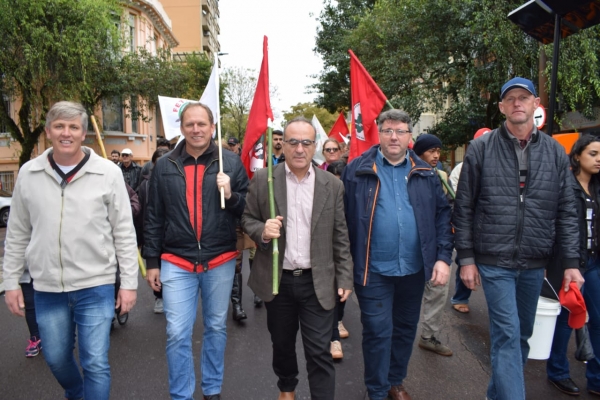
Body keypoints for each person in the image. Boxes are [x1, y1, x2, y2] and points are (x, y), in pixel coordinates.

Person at [453, 77, 584, 400]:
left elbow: (567, 211)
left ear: (535, 103)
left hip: (534, 262)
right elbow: (464, 206)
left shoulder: (555, 152)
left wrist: (570, 263)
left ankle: (496, 395)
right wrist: (466, 259)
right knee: (508, 335)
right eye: (510, 98)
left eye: (523, 98)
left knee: (522, 334)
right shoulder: (481, 148)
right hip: (493, 259)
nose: (517, 103)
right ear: (501, 107)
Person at [3, 101, 138, 400]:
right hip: (47, 287)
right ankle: (77, 393)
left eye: (73, 127)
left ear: (83, 133)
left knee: (95, 362)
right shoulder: (29, 173)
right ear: (48, 131)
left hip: (96, 284)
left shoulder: (107, 173)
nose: (67, 133)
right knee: (55, 358)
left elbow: (124, 232)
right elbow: (17, 232)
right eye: (60, 126)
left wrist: (129, 284)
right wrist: (10, 281)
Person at [342, 109, 453, 400]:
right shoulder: (356, 170)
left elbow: (443, 216)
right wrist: (343, 266)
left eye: (400, 131)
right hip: (373, 269)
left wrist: (443, 258)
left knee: (404, 329)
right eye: (388, 130)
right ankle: (377, 390)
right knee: (377, 331)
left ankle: (395, 381)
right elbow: (342, 221)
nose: (394, 137)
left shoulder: (426, 173)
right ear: (379, 134)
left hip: (414, 269)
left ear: (409, 136)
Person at [242, 116, 353, 400]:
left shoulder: (332, 185)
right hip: (278, 282)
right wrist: (262, 230)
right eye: (293, 142)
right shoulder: (264, 179)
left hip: (319, 281)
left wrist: (345, 277)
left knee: (319, 351)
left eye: (306, 142)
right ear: (283, 145)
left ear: (315, 146)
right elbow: (247, 219)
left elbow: (340, 235)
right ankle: (287, 387)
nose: (299, 148)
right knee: (282, 345)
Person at [143, 101, 248, 400]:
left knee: (215, 327)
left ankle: (212, 389)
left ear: (212, 127)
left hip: (219, 259)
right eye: (190, 124)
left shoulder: (231, 163)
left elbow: (247, 209)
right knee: (177, 332)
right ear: (181, 127)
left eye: (202, 123)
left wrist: (231, 194)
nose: (196, 129)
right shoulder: (164, 165)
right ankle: (181, 394)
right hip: (176, 260)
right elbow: (153, 216)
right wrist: (152, 261)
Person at [546, 134, 600, 396]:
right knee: (567, 319)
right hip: (569, 262)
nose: (599, 159)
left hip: (594, 260)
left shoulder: (598, 186)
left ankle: (597, 379)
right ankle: (557, 372)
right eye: (593, 154)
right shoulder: (564, 184)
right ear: (577, 155)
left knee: (598, 320)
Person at [412, 133, 454, 357]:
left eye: (438, 151)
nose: (436, 155)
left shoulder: (441, 175)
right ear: (419, 153)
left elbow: (445, 210)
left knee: (438, 291)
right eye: (431, 151)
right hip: (413, 248)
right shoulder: (409, 174)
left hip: (437, 246)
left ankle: (428, 336)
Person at [449, 127, 491, 314]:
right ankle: (460, 297)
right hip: (471, 224)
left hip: (492, 227)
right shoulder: (461, 169)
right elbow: (461, 200)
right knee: (464, 260)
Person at [137, 147, 170, 314]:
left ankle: (171, 296)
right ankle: (159, 296)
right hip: (153, 235)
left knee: (171, 270)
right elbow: (140, 213)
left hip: (172, 235)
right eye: (158, 164)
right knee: (156, 267)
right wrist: (140, 238)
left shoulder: (178, 181)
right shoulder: (145, 185)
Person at [325, 160, 350, 360]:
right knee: (333, 292)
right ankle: (333, 338)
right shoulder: (324, 191)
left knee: (342, 289)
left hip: (348, 246)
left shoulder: (353, 195)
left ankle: (339, 320)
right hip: (328, 248)